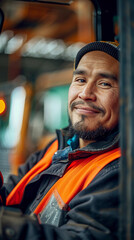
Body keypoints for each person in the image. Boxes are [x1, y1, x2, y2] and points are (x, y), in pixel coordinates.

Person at [0, 41, 120, 240]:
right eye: (80, 80)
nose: (85, 93)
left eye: (104, 83)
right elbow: (12, 194)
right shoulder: (60, 146)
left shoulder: (118, 171)